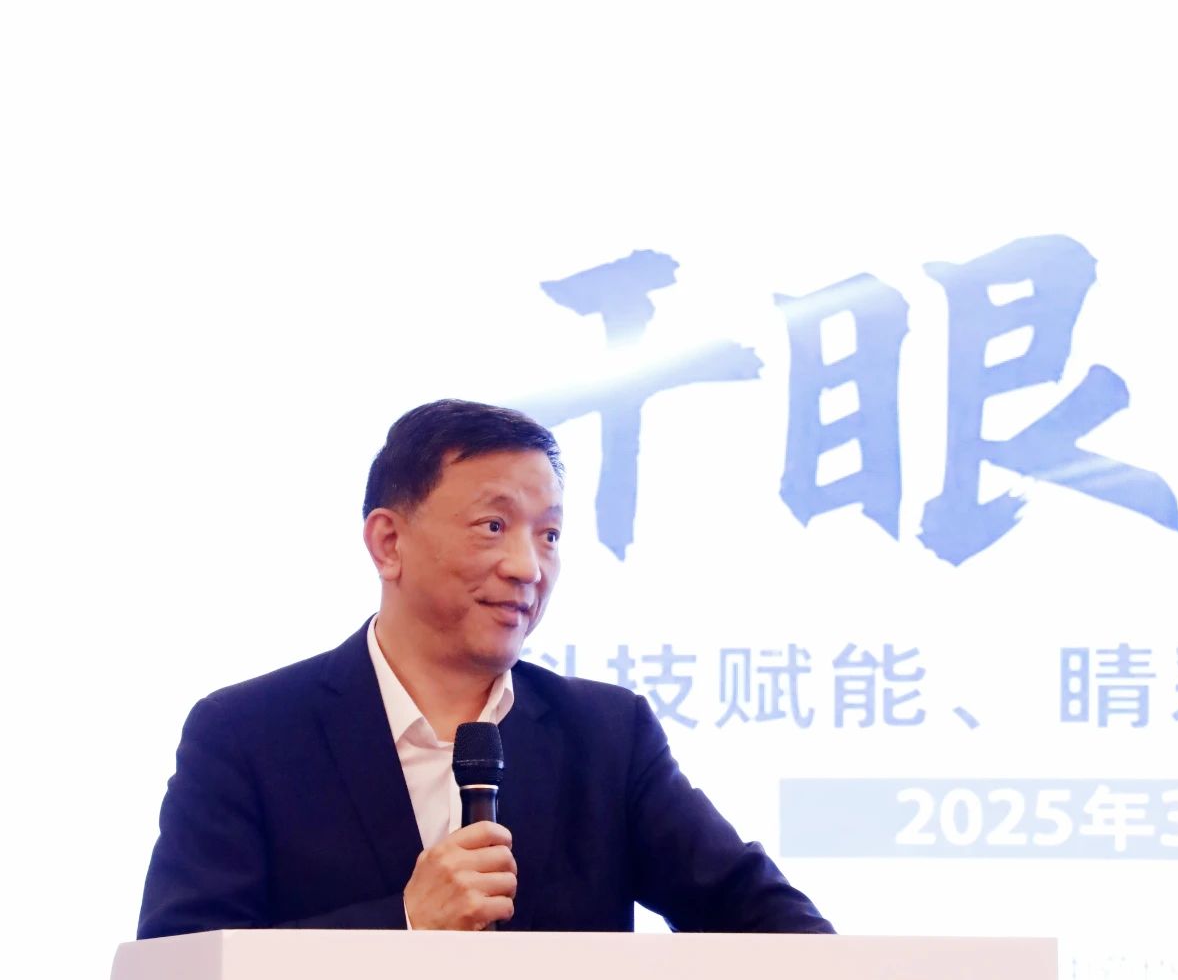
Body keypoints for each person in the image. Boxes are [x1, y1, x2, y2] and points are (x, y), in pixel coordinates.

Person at [137, 400, 833, 937]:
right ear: (388, 543)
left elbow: (763, 918)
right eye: (493, 526)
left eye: (549, 534)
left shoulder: (607, 736)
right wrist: (404, 922)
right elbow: (182, 971)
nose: (528, 567)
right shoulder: (248, 734)